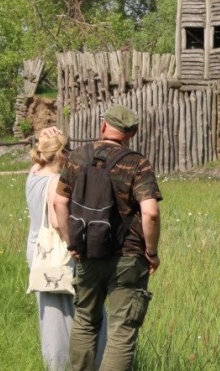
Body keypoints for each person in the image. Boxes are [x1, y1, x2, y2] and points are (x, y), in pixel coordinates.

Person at [53, 105, 162, 371]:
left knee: (85, 321)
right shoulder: (137, 162)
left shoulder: (77, 157)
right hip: (128, 258)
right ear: (132, 133)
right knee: (122, 331)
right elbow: (150, 213)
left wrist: (72, 244)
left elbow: (59, 204)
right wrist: (152, 253)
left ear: (103, 126)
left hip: (87, 253)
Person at [26, 132, 74, 371]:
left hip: (36, 250)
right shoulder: (56, 180)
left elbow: (38, 159)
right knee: (63, 317)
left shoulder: (33, 174)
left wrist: (46, 134)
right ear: (61, 154)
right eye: (68, 152)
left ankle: (53, 363)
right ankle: (62, 365)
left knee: (48, 314)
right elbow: (57, 219)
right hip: (55, 253)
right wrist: (72, 243)